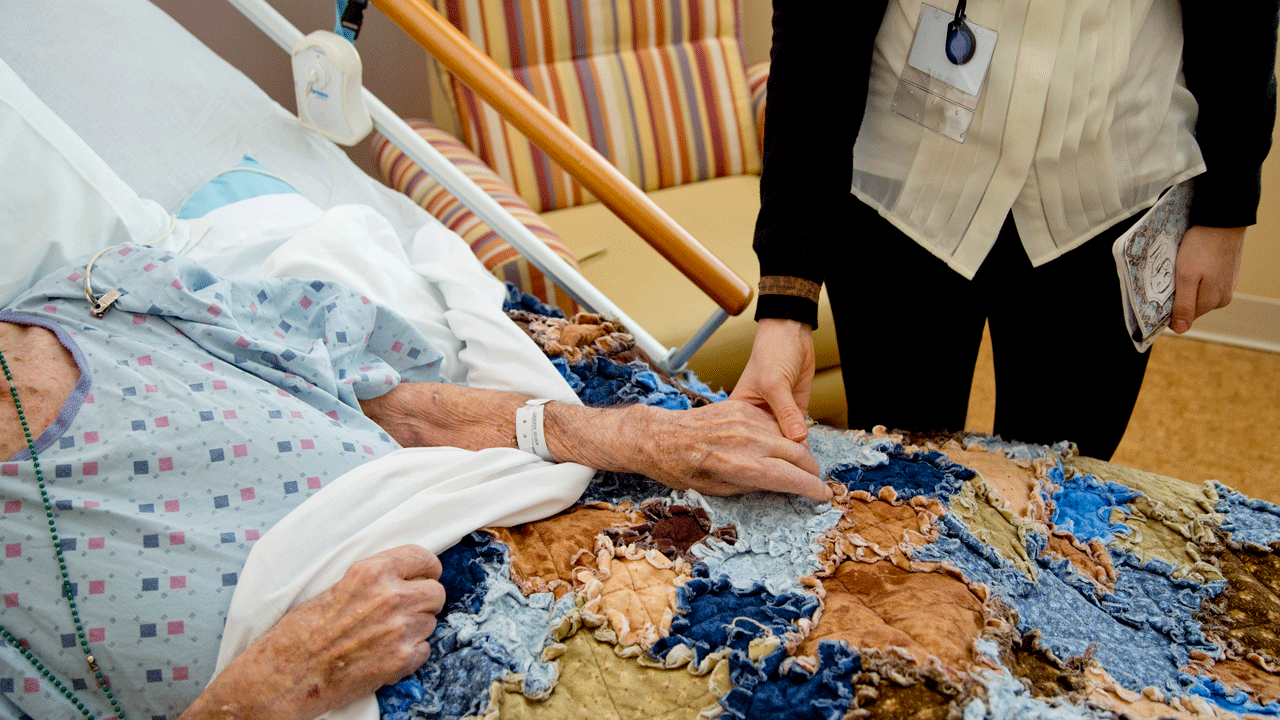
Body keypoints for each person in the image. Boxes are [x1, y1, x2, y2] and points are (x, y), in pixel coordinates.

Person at [0, 243, 829, 720]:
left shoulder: (111, 296)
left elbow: (399, 403)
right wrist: (265, 693)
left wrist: (637, 434)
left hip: (518, 528)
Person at [732, 0, 1278, 460]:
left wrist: (1227, 206)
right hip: (905, 191)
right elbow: (818, 25)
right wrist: (788, 296)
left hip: (1108, 187)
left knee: (1062, 504)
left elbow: (1241, 14)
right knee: (896, 479)